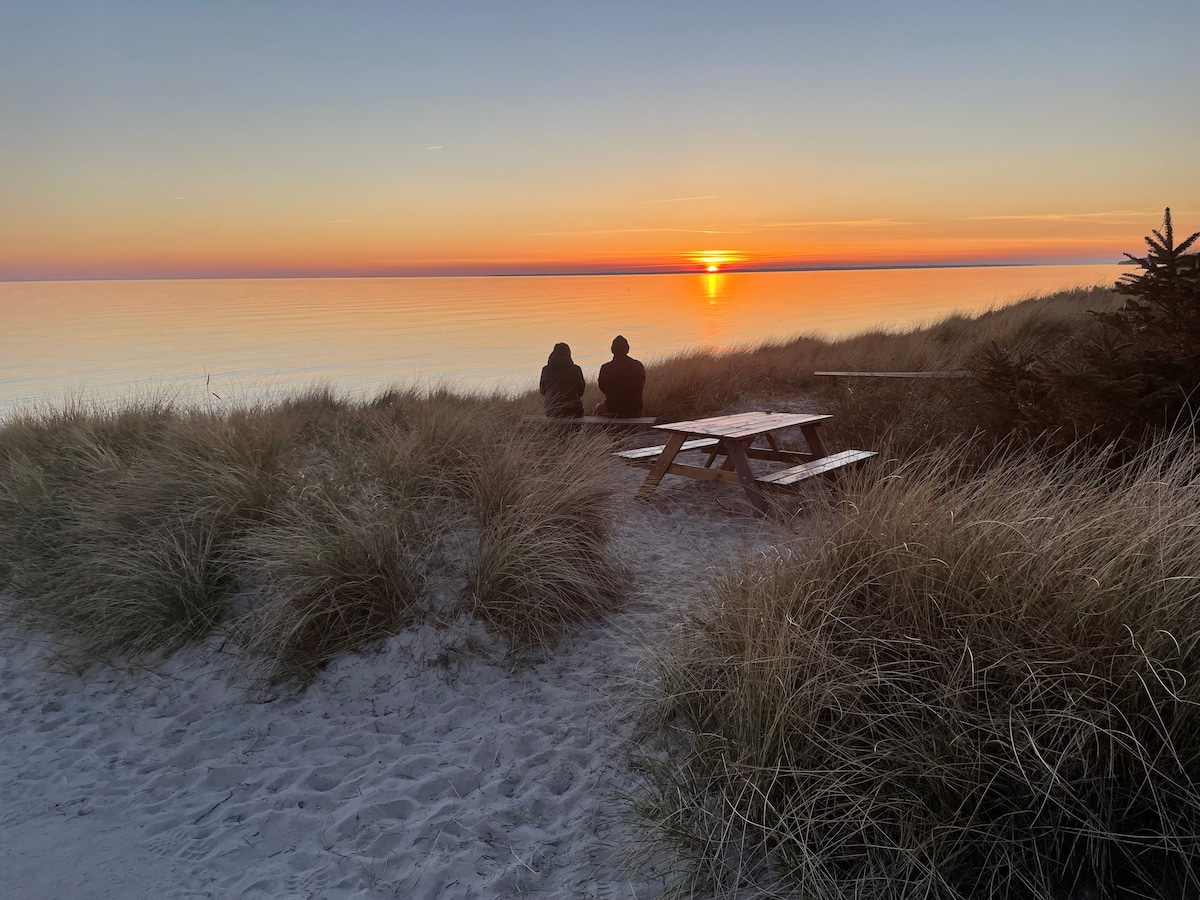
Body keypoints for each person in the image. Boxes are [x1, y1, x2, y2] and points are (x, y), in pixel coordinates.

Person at [595, 334, 645, 417]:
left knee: (598, 408)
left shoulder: (605, 367)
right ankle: (634, 428)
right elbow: (640, 386)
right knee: (639, 406)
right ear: (627, 349)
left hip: (612, 408)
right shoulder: (637, 365)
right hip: (635, 409)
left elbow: (603, 388)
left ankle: (610, 429)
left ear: (612, 350)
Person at [539, 342, 585, 418]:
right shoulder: (576, 369)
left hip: (552, 411)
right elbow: (581, 391)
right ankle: (577, 429)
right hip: (574, 410)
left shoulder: (546, 370)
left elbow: (542, 391)